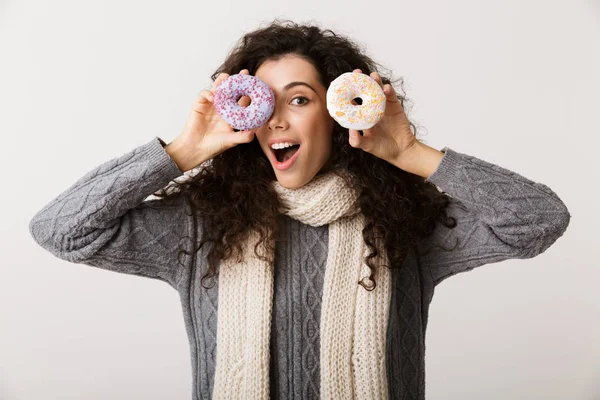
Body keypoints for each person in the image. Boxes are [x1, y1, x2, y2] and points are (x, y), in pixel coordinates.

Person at [29, 19, 571, 400]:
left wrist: (411, 153)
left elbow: (540, 219)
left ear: (338, 113)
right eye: (263, 100)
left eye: (299, 99)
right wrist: (182, 152)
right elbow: (60, 230)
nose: (277, 121)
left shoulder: (404, 223)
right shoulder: (200, 225)